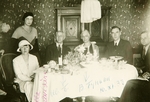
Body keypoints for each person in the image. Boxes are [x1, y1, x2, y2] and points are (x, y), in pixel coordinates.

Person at [119, 31, 150, 102]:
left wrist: (148, 73)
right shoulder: (142, 48)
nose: (143, 40)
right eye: (141, 38)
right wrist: (140, 70)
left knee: (129, 83)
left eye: (145, 37)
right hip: (145, 76)